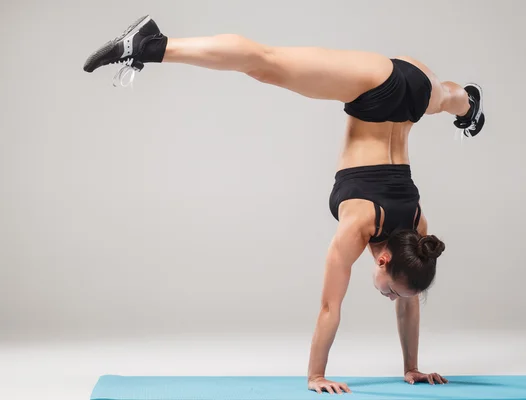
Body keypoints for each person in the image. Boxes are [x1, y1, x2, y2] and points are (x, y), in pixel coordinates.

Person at [83, 15, 485, 394]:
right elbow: (330, 307)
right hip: (377, 87)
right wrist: (316, 374)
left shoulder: (417, 225)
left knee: (447, 97)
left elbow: (410, 299)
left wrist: (411, 367)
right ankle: (151, 43)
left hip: (418, 87)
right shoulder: (357, 226)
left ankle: (467, 104)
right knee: (264, 64)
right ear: (382, 261)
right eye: (390, 293)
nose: (393, 298)